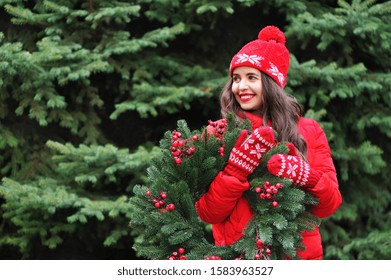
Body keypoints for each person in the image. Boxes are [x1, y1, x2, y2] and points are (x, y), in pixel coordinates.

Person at [195, 25, 342, 260]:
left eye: (251, 77)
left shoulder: (308, 130)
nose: (240, 87)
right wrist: (235, 172)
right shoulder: (220, 133)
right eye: (236, 78)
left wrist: (309, 178)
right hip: (240, 260)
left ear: (272, 83)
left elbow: (329, 205)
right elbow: (208, 212)